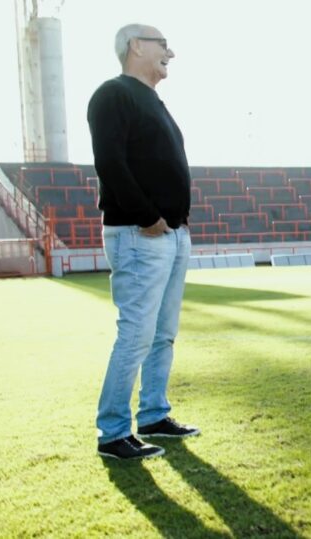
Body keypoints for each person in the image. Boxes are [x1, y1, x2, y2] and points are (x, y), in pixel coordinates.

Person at [88, 23, 199, 460]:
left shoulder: (154, 100)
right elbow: (109, 162)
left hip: (171, 234)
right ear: (136, 46)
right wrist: (148, 217)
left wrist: (175, 223)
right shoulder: (112, 94)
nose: (170, 52)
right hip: (140, 233)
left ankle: (153, 414)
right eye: (162, 45)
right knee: (136, 333)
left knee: (163, 334)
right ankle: (113, 433)